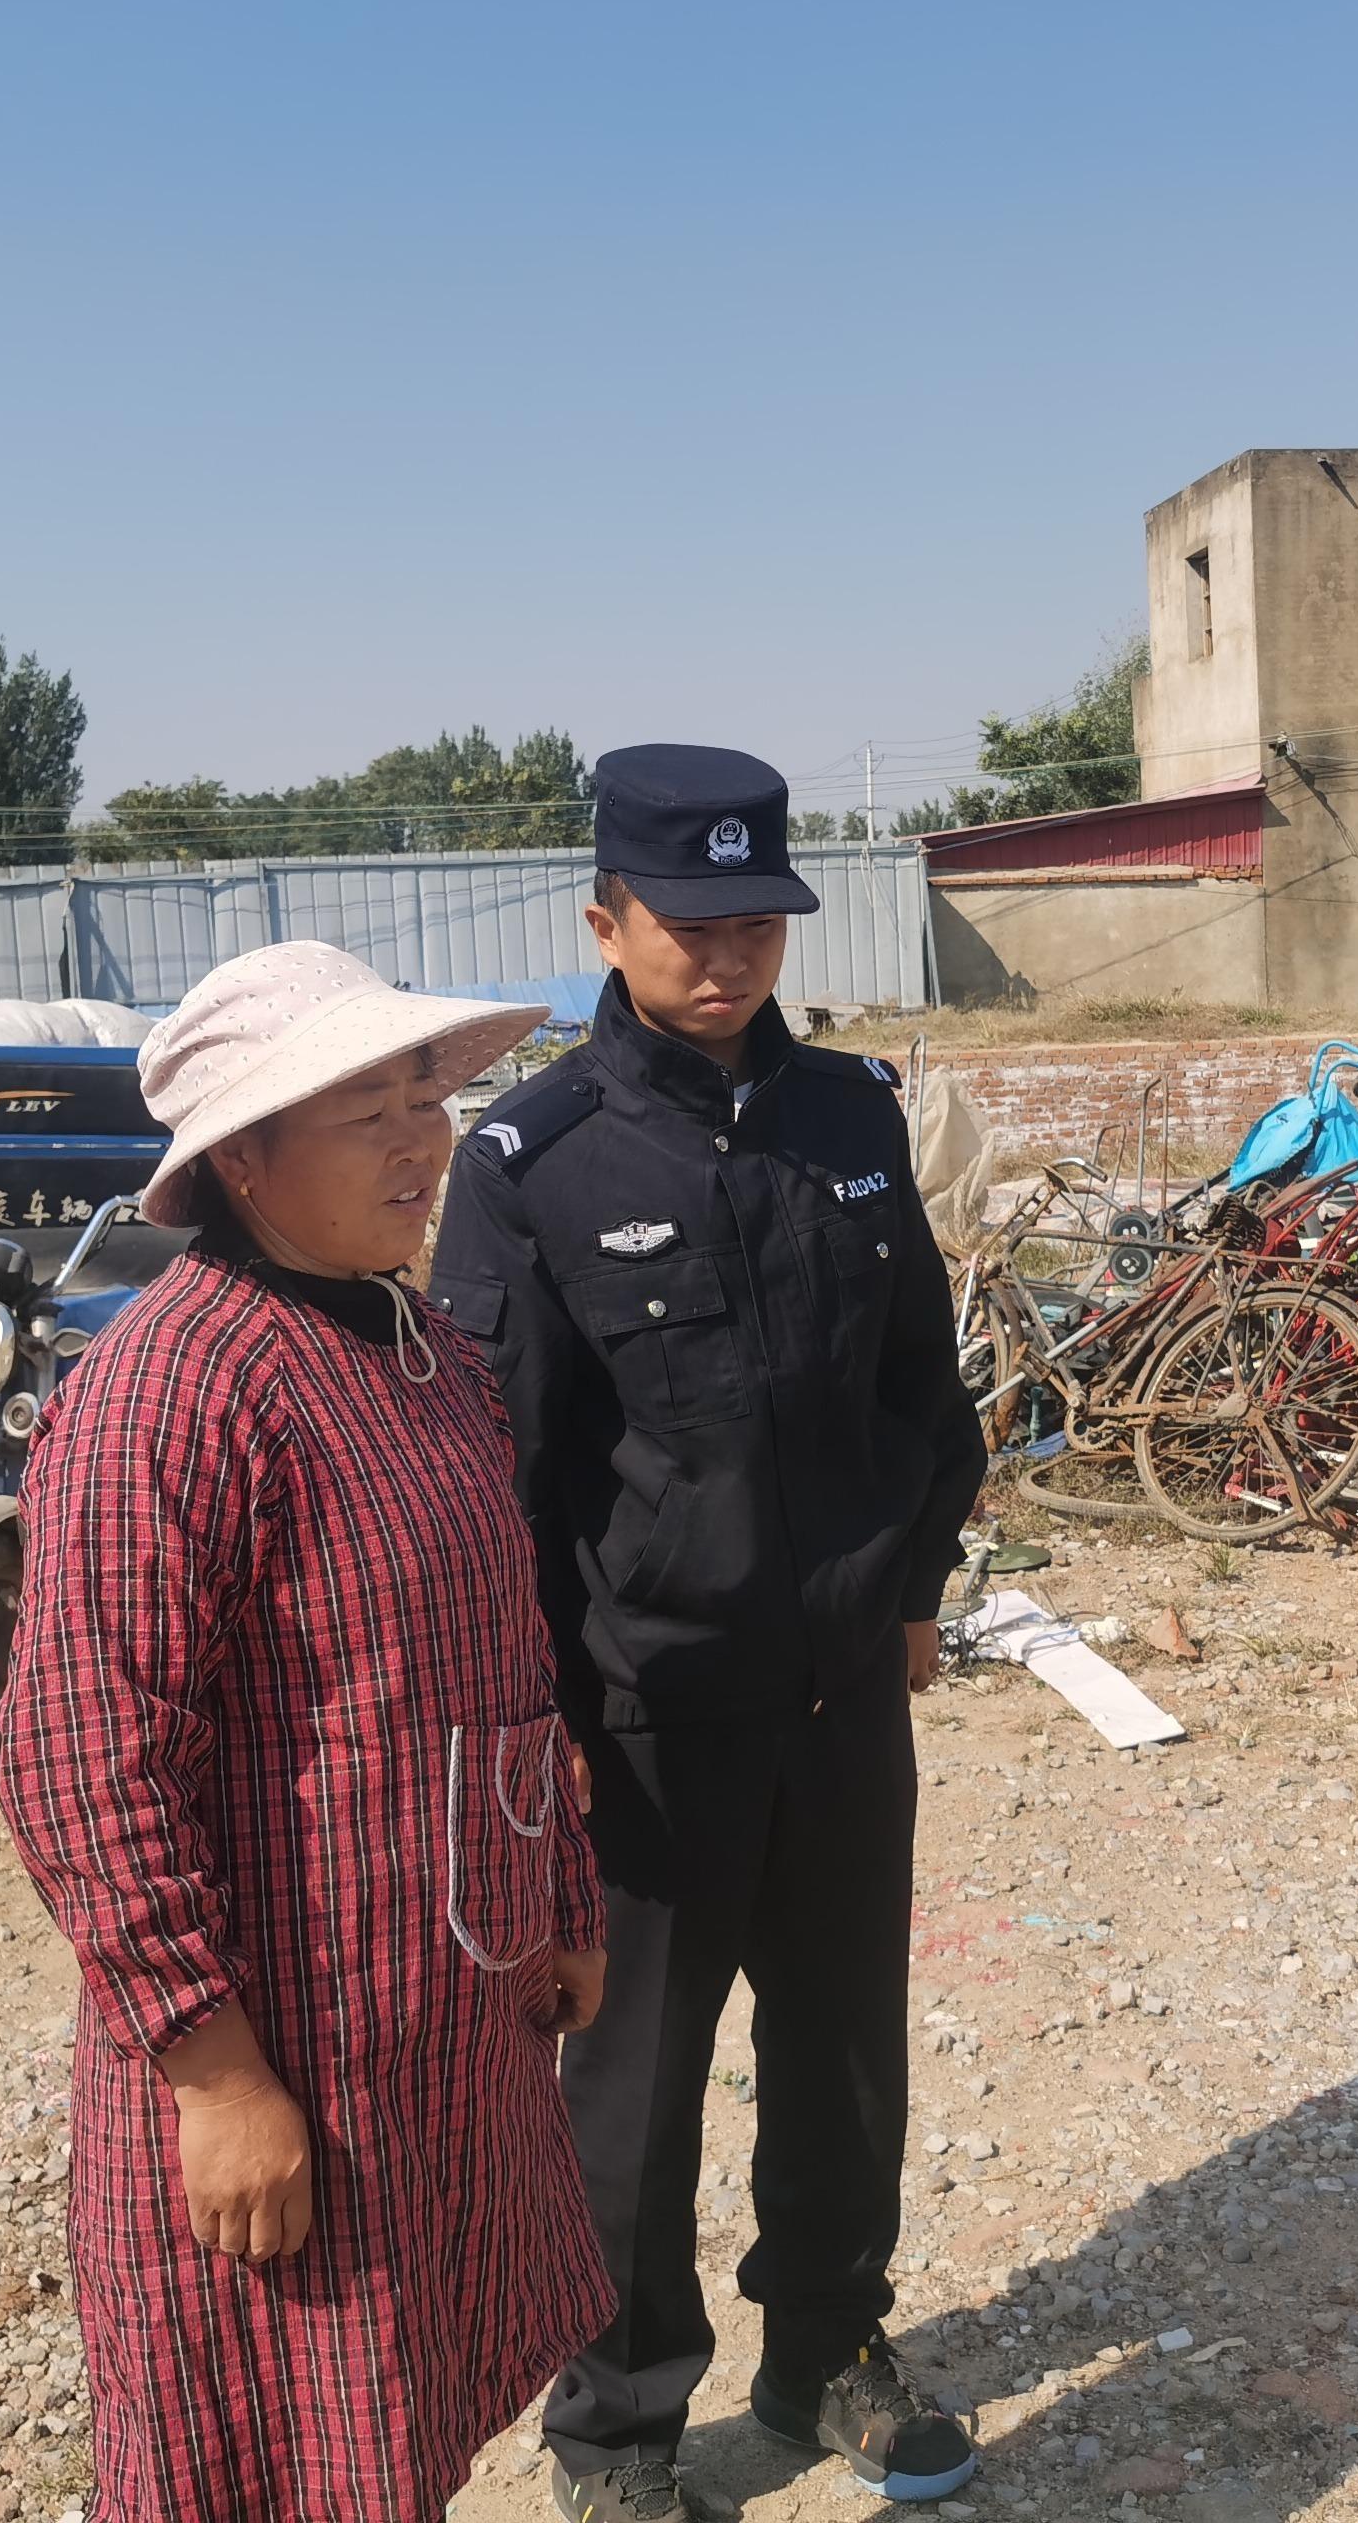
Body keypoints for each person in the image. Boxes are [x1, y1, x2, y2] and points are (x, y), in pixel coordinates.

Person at [429, 744, 988, 2519]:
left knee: (841, 2055)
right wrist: (532, 1731)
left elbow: (920, 1382)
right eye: (692, 924)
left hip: (839, 1702)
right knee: (633, 2100)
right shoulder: (534, 1161)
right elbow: (497, 1478)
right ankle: (619, 2432)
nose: (731, 957)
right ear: (604, 920)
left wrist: (912, 1586)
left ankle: (828, 2352)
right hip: (646, 1720)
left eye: (759, 921)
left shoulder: (849, 1121)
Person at [5, 941, 615, 2523]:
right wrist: (216, 2080)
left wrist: (563, 1903)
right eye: (368, 1111)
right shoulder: (171, 1391)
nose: (426, 1139)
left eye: (431, 1093)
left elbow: (507, 1666)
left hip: (433, 2016)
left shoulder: (424, 1354)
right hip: (287, 2043)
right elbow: (81, 1763)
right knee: (258, 2452)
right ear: (243, 1157)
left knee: (394, 2429)